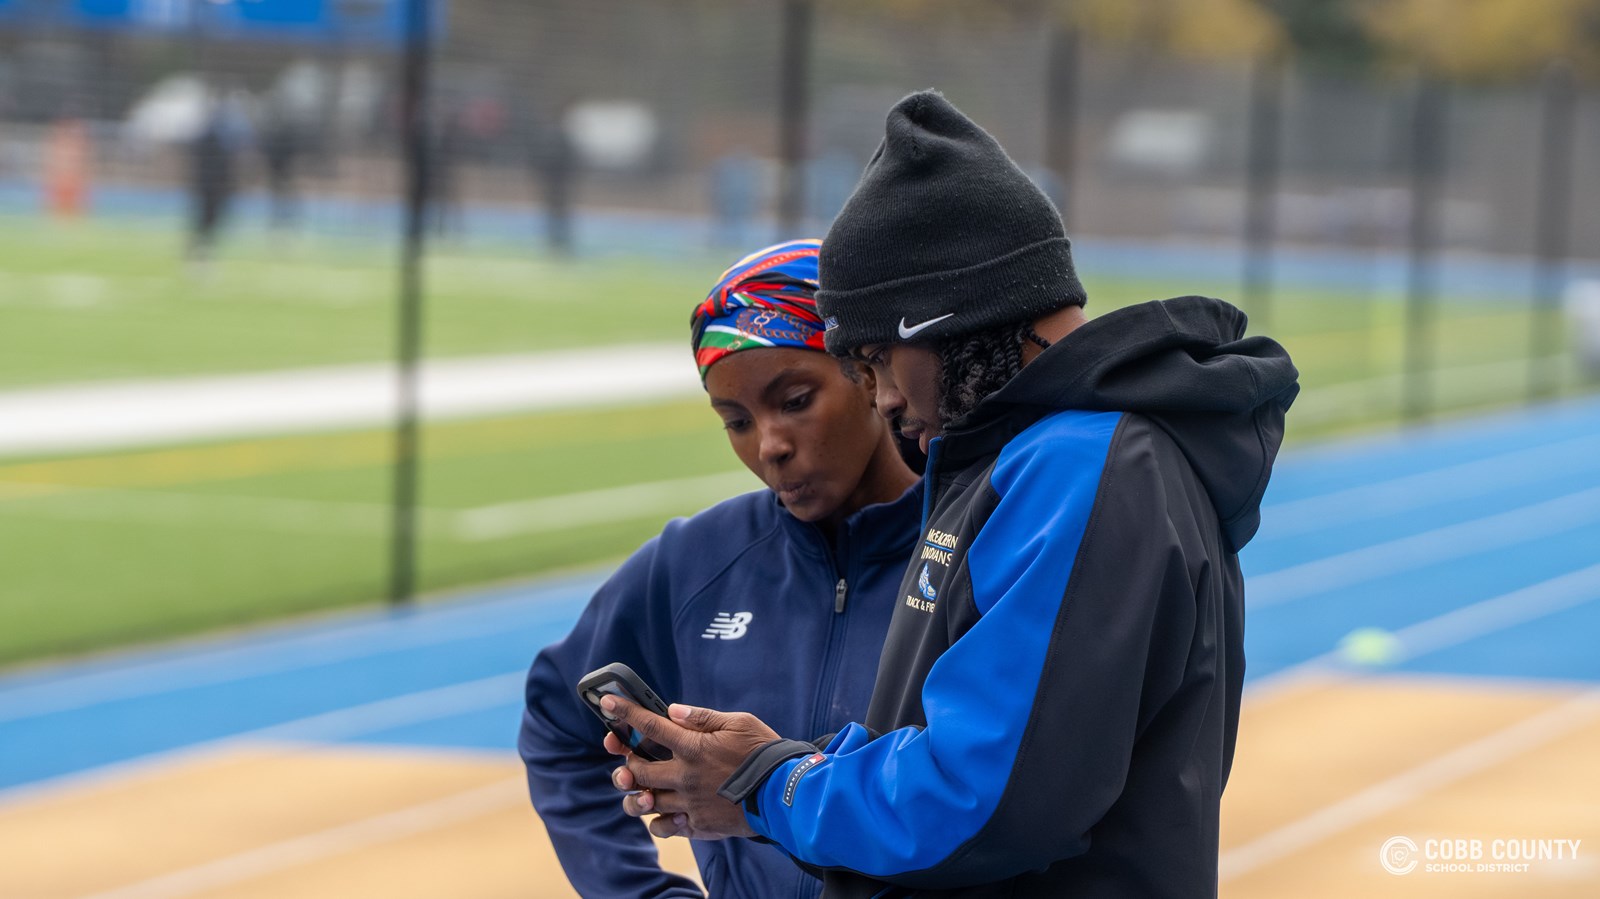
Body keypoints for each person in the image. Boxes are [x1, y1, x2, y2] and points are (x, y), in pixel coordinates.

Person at [601, 90, 1301, 898]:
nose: (880, 397)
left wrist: (771, 786)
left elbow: (986, 800)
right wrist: (792, 761)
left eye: (873, 360)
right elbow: (964, 742)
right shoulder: (1030, 458)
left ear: (942, 318)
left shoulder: (1084, 469)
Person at [519, 239, 922, 898]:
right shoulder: (694, 563)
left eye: (794, 400)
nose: (769, 445)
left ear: (869, 373)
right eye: (735, 420)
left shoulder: (975, 544)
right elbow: (556, 716)